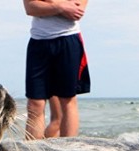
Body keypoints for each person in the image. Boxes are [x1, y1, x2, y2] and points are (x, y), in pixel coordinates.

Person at [23, 0, 91, 140]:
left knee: (67, 100)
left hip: (68, 40)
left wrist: (45, 4)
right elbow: (30, 8)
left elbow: (76, 11)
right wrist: (60, 6)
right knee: (35, 104)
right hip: (38, 42)